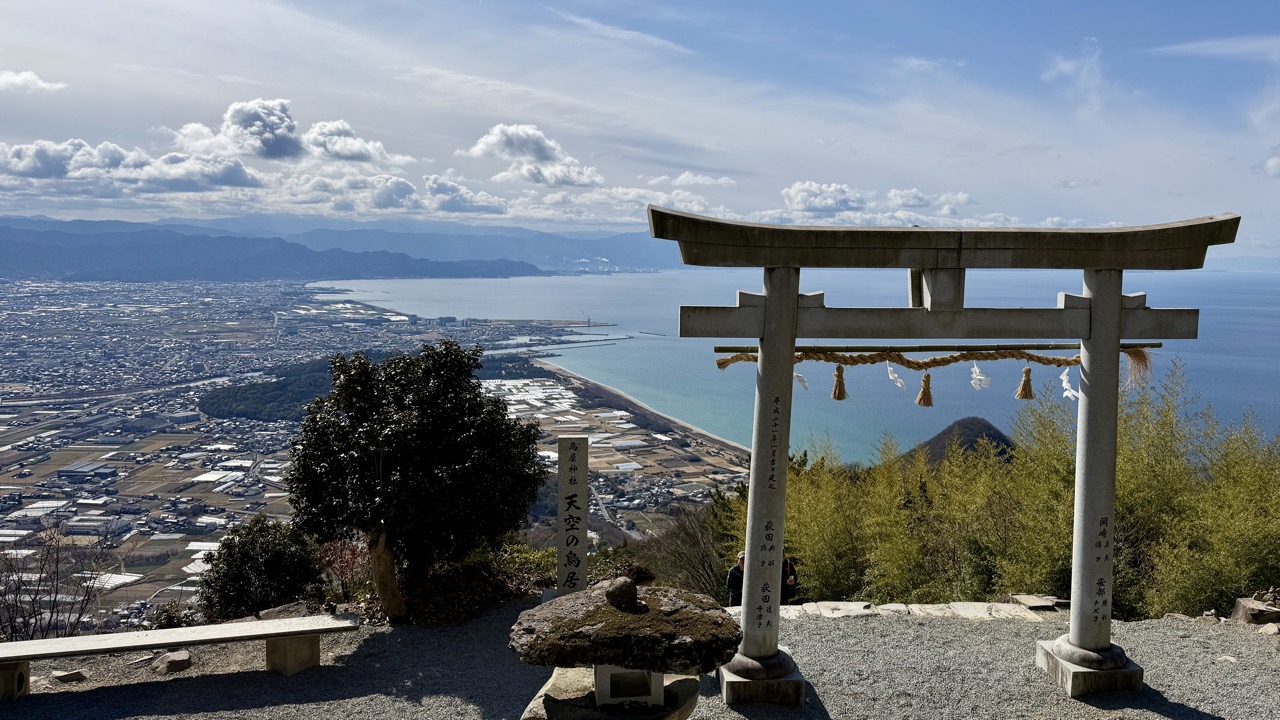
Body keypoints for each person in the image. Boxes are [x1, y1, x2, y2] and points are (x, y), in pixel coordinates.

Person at [726, 551, 800, 606]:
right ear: (738, 560)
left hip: (782, 594)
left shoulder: (788, 565)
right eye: (742, 559)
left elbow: (794, 577)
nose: (744, 561)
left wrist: (791, 583)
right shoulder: (733, 571)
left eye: (745, 559)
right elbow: (730, 585)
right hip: (737, 599)